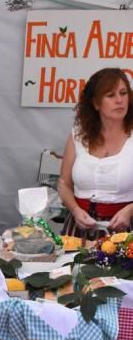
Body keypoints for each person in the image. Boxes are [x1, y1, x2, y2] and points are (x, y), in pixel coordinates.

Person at [58, 67, 133, 239]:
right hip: (78, 229)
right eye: (110, 95)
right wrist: (75, 210)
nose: (120, 100)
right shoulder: (78, 134)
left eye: (123, 93)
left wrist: (130, 210)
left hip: (126, 232)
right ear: (96, 103)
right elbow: (64, 183)